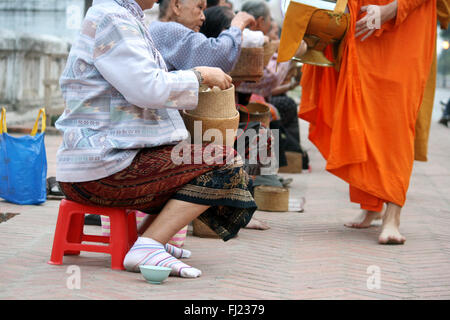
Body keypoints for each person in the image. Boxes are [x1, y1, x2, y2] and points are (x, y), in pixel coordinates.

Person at [55, 0, 257, 278]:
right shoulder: (113, 19)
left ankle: (144, 239)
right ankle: (149, 245)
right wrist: (199, 75)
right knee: (224, 161)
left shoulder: (123, 17)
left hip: (104, 161)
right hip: (102, 167)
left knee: (195, 157)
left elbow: (146, 85)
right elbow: (147, 88)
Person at [280, 0, 436, 244]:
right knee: (362, 116)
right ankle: (372, 205)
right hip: (363, 28)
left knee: (396, 121)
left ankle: (393, 216)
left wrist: (389, 10)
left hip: (405, 29)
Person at [148, 0, 256, 72]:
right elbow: (218, 56)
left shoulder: (157, 28)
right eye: (199, 7)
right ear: (176, 5)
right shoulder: (170, 30)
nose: (203, 17)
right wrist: (237, 25)